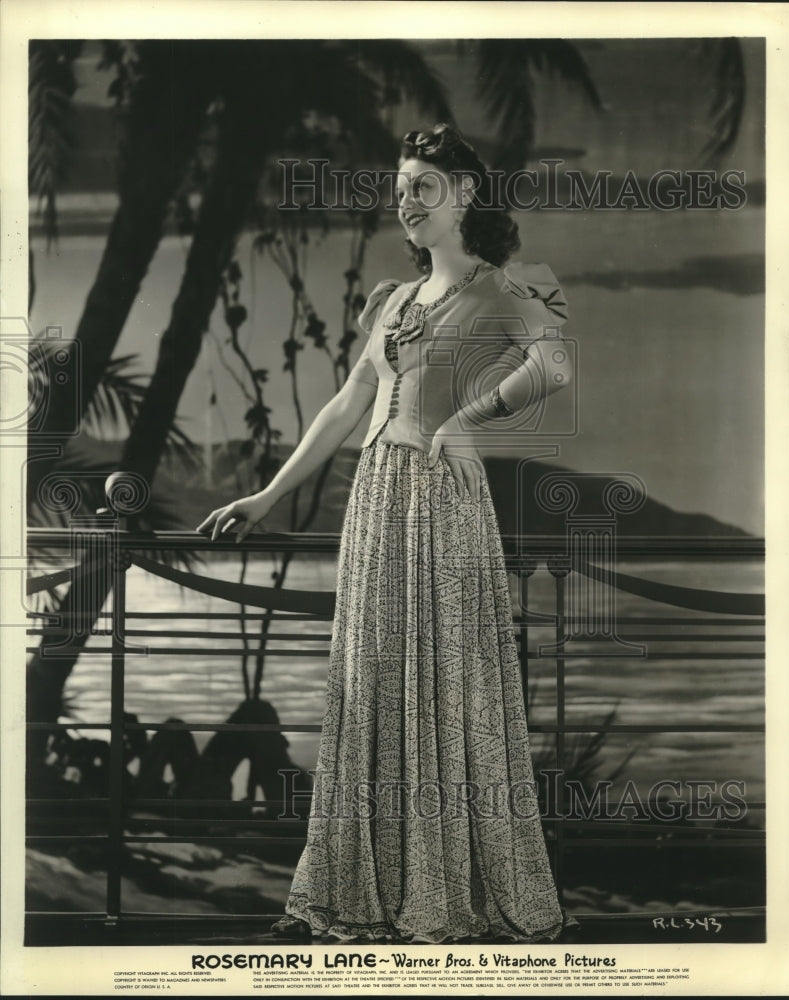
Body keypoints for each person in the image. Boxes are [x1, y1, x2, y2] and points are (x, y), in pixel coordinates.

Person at [197, 123, 576, 944]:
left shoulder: (503, 289)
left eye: (422, 186)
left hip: (444, 501)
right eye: (399, 187)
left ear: (464, 194)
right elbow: (345, 406)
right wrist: (266, 495)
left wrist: (468, 417)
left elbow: (554, 365)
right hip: (374, 503)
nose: (405, 200)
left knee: (446, 686)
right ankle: (356, 892)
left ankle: (442, 893)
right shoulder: (392, 301)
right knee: (370, 686)